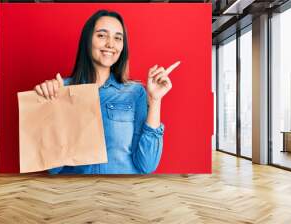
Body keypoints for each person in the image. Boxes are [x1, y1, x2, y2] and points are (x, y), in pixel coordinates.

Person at [33, 9, 180, 174]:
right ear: (87, 40)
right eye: (102, 35)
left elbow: (147, 165)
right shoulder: (62, 89)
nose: (111, 44)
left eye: (118, 38)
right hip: (77, 194)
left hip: (121, 194)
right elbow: (52, 168)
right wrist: (54, 103)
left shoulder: (136, 92)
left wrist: (154, 100)